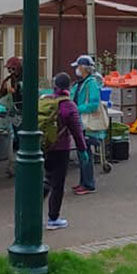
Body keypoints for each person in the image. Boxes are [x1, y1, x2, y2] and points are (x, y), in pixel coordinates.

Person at [43, 73, 87, 230]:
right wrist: (82, 150)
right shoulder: (69, 105)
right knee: (58, 185)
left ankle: (31, 213)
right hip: (61, 149)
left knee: (47, 179)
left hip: (45, 146)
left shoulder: (45, 100)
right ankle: (53, 219)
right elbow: (77, 130)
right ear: (68, 87)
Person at [71, 55, 104, 195]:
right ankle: (83, 183)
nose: (76, 69)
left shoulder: (90, 83)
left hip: (85, 123)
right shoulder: (83, 82)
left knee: (85, 154)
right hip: (80, 123)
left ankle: (88, 184)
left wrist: (76, 109)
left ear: (84, 68)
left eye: (78, 67)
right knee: (82, 153)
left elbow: (93, 104)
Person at [0, 57, 23, 178]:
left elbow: (24, 92)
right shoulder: (10, 78)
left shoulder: (24, 77)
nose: (10, 71)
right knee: (14, 136)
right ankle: (14, 163)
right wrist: (5, 88)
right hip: (14, 109)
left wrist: (14, 90)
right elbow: (2, 92)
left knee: (21, 136)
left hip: (22, 110)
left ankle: (19, 164)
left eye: (11, 68)